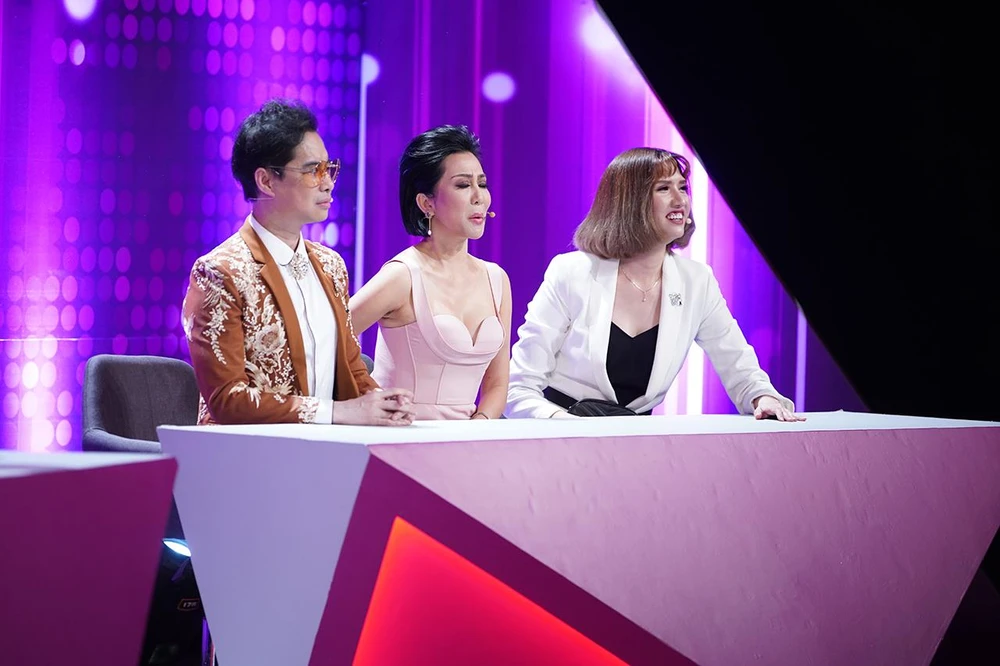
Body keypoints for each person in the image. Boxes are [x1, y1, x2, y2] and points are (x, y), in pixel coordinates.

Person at [505, 147, 802, 421]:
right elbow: (518, 388)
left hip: (638, 444)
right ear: (628, 202)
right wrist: (568, 427)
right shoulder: (572, 272)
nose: (680, 200)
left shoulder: (697, 281)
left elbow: (736, 361)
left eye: (682, 187)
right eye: (663, 188)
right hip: (560, 434)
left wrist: (762, 397)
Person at [182, 99, 414, 426]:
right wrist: (335, 413)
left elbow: (351, 368)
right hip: (245, 450)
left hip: (323, 446)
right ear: (266, 181)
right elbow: (227, 399)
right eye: (312, 170)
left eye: (329, 168)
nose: (328, 182)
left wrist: (381, 403)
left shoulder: (331, 266)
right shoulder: (221, 272)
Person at [349, 125, 511, 420]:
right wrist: (367, 394)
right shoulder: (402, 276)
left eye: (482, 184)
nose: (479, 197)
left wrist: (480, 425)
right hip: (402, 436)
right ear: (427, 203)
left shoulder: (496, 279)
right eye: (463, 185)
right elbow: (327, 340)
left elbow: (497, 384)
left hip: (473, 438)